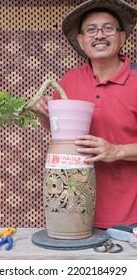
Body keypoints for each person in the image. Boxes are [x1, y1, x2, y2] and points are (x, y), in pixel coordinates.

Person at [34, 0, 137, 229]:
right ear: (81, 41)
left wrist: (117, 150)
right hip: (75, 213)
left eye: (108, 28)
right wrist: (43, 114)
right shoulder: (69, 80)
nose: (99, 35)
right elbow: (61, 133)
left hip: (131, 219)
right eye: (91, 30)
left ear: (122, 37)